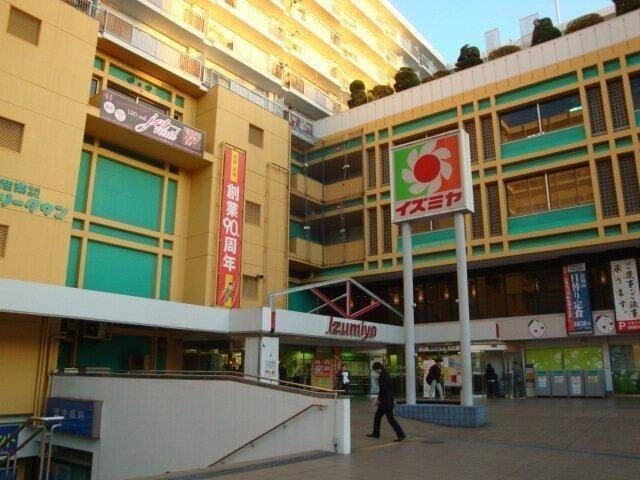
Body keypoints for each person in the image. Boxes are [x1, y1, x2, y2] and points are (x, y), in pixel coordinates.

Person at [366, 362, 406, 442]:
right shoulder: (386, 374)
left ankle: (399, 434)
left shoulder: (382, 376)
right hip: (388, 401)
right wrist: (392, 399)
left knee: (384, 418)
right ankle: (400, 434)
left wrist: (378, 400)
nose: (375, 372)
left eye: (375, 370)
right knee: (385, 418)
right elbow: (390, 388)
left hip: (384, 402)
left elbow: (383, 390)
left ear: (378, 369)